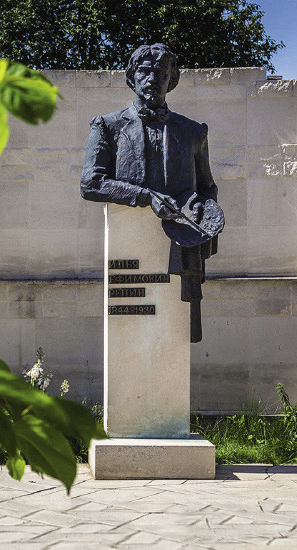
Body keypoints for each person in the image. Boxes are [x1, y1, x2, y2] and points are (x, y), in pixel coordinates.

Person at [80, 43, 223, 343]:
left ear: (172, 80)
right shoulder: (108, 126)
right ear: (132, 77)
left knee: (175, 336)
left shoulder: (193, 131)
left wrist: (204, 215)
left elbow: (207, 187)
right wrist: (146, 196)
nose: (152, 79)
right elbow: (90, 183)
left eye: (161, 73)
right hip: (129, 234)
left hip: (181, 241)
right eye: (144, 71)